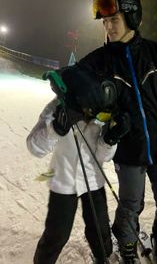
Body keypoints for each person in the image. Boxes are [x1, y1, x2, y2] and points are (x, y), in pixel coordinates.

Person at [73, 0, 157, 264]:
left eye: (114, 20)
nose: (108, 26)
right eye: (105, 22)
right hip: (127, 150)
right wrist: (61, 83)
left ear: (132, 18)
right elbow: (74, 79)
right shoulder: (100, 61)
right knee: (130, 205)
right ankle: (127, 248)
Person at [26, 69, 129, 264]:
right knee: (57, 234)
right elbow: (34, 147)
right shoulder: (58, 107)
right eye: (90, 109)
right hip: (63, 180)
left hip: (93, 180)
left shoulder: (103, 111)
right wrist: (56, 129)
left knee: (100, 231)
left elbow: (103, 156)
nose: (93, 115)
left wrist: (110, 139)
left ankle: (104, 258)